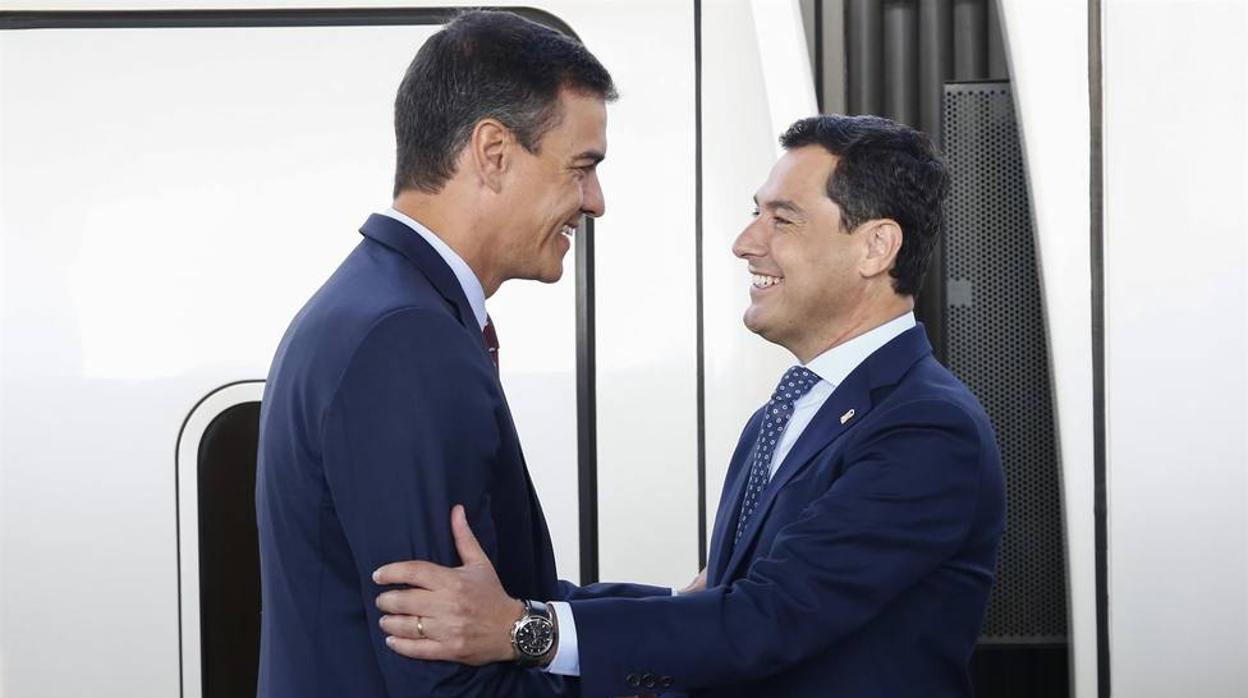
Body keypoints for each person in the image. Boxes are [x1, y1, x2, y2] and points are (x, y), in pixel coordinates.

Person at [373, 114, 1007, 698]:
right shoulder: (787, 412)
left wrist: (522, 630)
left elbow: (766, 620)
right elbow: (716, 600)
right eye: (755, 213)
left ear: (876, 247)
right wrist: (516, 606)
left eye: (782, 220)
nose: (746, 242)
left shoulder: (927, 430)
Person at [255, 10, 670, 697]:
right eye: (582, 168)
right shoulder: (404, 339)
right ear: (494, 152)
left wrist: (687, 617)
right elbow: (449, 680)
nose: (594, 202)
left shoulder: (376, 304)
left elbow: (498, 606)